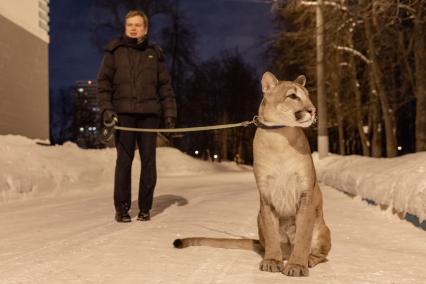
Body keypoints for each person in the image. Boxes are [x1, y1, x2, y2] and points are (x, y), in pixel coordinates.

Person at [96, 10, 177, 223]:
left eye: (137, 25)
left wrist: (169, 112)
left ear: (146, 29)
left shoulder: (154, 53)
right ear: (125, 28)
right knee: (124, 162)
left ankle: (145, 208)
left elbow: (165, 87)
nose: (133, 28)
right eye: (129, 24)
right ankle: (122, 208)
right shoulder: (115, 51)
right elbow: (103, 85)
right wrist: (107, 109)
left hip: (149, 116)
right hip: (123, 116)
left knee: (149, 162)